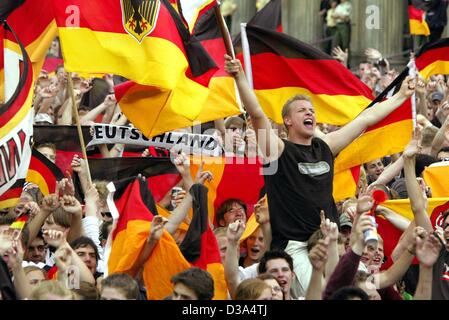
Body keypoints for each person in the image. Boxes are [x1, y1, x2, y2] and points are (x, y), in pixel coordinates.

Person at [224, 51, 415, 296]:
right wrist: (240, 76)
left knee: (346, 293)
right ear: (287, 121)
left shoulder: (326, 146)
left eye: (312, 110)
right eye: (302, 110)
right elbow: (258, 115)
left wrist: (400, 95)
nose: (310, 113)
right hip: (295, 246)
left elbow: (366, 118)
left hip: (330, 239)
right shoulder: (278, 151)